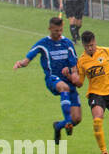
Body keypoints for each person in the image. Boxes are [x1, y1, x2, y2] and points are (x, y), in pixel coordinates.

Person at [13, 17, 83, 145]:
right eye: (56, 30)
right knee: (64, 88)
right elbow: (27, 59)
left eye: (61, 30)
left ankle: (58, 126)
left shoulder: (67, 43)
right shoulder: (43, 43)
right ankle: (67, 121)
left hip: (68, 81)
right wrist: (20, 64)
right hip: (53, 79)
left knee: (77, 119)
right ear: (50, 29)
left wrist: (75, 77)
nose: (59, 33)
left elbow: (74, 67)